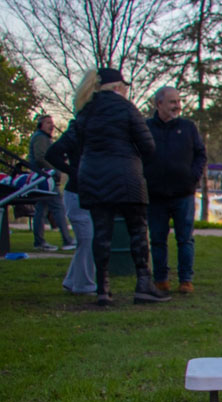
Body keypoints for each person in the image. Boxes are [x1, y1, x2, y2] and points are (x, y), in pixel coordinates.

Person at [73, 67, 167, 306]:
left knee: (101, 233)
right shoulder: (126, 108)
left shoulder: (85, 111)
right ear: (117, 87)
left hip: (93, 177)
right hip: (126, 176)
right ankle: (143, 284)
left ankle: (103, 289)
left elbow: (76, 144)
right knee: (137, 230)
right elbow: (148, 146)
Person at [144, 86, 207, 295]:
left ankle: (186, 280)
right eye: (172, 102)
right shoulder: (146, 128)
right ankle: (160, 279)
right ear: (159, 104)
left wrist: (193, 177)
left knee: (185, 239)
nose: (177, 106)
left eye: (179, 101)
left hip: (183, 194)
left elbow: (200, 154)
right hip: (156, 195)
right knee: (157, 240)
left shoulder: (188, 128)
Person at [45, 118, 96, 294]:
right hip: (77, 194)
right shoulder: (77, 131)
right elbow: (51, 154)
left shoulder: (93, 131)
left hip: (87, 192)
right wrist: (73, 172)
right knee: (87, 240)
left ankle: (72, 280)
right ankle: (84, 285)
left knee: (87, 240)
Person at [27, 115, 77, 252]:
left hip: (42, 178)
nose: (52, 125)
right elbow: (40, 157)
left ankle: (39, 242)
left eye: (52, 123)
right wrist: (55, 169)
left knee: (41, 210)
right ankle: (67, 240)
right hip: (45, 178)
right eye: (48, 122)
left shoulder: (43, 137)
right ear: (40, 125)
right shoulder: (40, 138)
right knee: (58, 208)